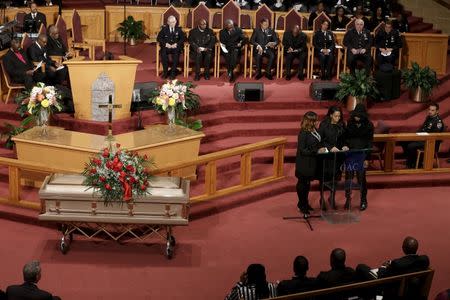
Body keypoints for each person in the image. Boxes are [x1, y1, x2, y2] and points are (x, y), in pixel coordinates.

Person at [295, 111, 327, 217]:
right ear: (309, 121)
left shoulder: (314, 130)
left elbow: (318, 142)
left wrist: (321, 148)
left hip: (312, 162)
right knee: (303, 183)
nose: (317, 121)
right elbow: (302, 150)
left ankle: (305, 203)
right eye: (315, 120)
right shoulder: (303, 133)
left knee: (307, 184)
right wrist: (316, 151)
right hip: (304, 162)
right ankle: (302, 205)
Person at [357, 236, 430, 280]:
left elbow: (381, 275)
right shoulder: (424, 260)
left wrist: (383, 266)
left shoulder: (397, 264)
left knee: (361, 267)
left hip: (390, 289)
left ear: (403, 248)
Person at [344, 104, 373, 211]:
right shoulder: (349, 123)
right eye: (355, 115)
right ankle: (348, 199)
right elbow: (345, 138)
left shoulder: (369, 125)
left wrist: (367, 158)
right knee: (349, 178)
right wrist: (345, 145)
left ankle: (363, 200)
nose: (356, 117)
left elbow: (370, 143)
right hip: (350, 154)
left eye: (359, 116)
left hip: (362, 155)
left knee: (361, 179)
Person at [318, 106, 348, 209]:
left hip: (338, 156)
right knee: (324, 179)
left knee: (335, 179)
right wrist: (330, 147)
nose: (338, 118)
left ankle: (332, 197)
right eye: (335, 116)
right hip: (327, 157)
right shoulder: (324, 125)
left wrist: (344, 145)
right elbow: (320, 140)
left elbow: (344, 139)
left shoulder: (342, 124)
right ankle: (321, 199)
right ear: (330, 115)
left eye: (339, 116)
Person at [401, 102, 445, 169]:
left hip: (430, 143)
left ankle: (415, 164)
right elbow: (422, 128)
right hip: (422, 138)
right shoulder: (428, 117)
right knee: (404, 141)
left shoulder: (438, 122)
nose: (430, 112)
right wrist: (415, 135)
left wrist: (420, 137)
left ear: (437, 111)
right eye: (429, 110)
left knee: (411, 146)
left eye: (432, 110)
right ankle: (411, 160)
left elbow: (435, 136)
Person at [157, 15, 186, 79]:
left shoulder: (179, 29)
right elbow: (159, 38)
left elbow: (183, 38)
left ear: (175, 22)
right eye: (170, 22)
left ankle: (173, 73)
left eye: (173, 22)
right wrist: (166, 44)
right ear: (167, 22)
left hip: (175, 47)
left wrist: (176, 44)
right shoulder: (164, 29)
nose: (172, 23)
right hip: (166, 47)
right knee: (163, 54)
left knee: (176, 55)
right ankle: (165, 72)